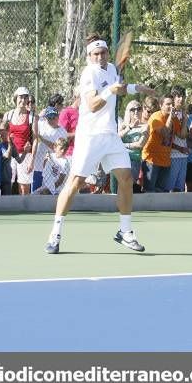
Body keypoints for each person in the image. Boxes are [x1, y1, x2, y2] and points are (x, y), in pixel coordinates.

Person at [44, 34, 155, 254]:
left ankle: (125, 231)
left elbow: (119, 87)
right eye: (96, 54)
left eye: (103, 53)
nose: (100, 57)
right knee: (75, 184)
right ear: (89, 56)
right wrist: (110, 90)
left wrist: (137, 88)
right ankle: (55, 234)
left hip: (110, 136)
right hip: (90, 137)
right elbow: (93, 104)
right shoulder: (89, 73)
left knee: (126, 178)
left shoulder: (112, 68)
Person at [3, 87, 38, 191]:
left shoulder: (32, 116)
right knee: (7, 184)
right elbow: (2, 134)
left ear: (28, 100)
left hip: (25, 155)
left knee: (24, 187)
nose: (22, 100)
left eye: (25, 97)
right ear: (15, 98)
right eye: (20, 97)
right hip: (10, 155)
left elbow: (36, 139)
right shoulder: (8, 115)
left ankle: (24, 207)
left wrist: (32, 159)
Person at [142, 94, 177, 192]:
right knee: (149, 192)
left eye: (172, 104)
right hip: (151, 160)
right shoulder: (156, 116)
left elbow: (182, 135)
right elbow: (165, 133)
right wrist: (171, 117)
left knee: (161, 193)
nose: (171, 106)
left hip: (165, 161)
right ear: (161, 105)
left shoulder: (173, 118)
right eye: (168, 104)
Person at [32, 106, 69, 193]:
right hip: (38, 164)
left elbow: (55, 147)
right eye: (49, 117)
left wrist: (41, 138)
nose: (51, 119)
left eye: (53, 117)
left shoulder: (62, 131)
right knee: (35, 191)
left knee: (49, 191)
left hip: (52, 168)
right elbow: (35, 121)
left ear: (58, 117)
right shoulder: (42, 125)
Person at [113, 100, 147, 193]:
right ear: (128, 111)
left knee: (129, 185)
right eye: (133, 109)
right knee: (120, 186)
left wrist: (122, 145)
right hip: (121, 160)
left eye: (139, 109)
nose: (136, 111)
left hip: (134, 160)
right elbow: (116, 138)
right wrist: (130, 127)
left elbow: (140, 144)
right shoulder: (124, 125)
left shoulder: (145, 127)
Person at [166, 86, 190, 192]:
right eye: (178, 96)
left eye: (183, 96)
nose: (181, 99)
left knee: (180, 187)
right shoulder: (169, 114)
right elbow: (180, 135)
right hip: (172, 155)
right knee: (170, 186)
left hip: (183, 155)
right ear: (173, 98)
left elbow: (185, 135)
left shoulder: (185, 114)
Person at [58, 89, 80, 156]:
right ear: (76, 97)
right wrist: (78, 134)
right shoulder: (66, 112)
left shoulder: (86, 113)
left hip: (85, 152)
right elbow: (60, 136)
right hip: (70, 154)